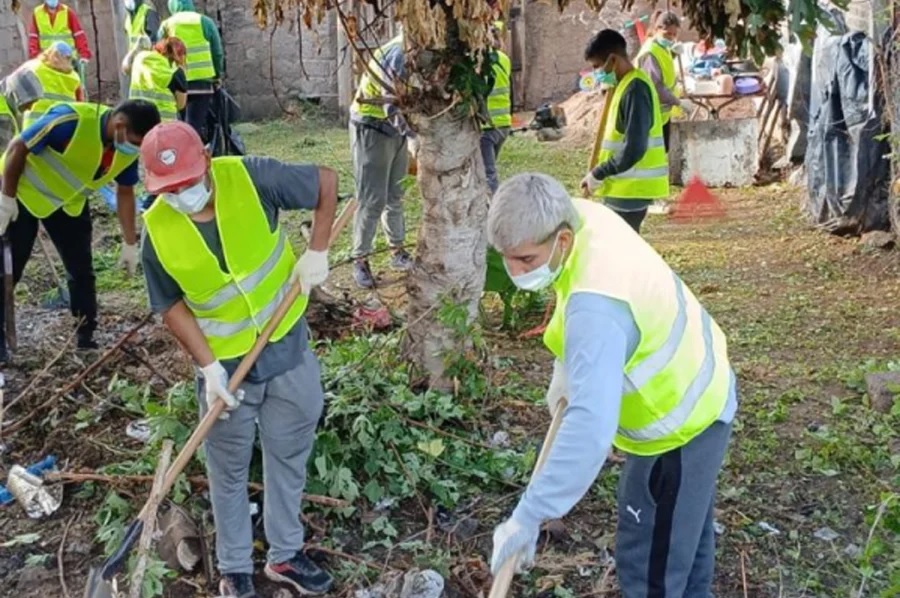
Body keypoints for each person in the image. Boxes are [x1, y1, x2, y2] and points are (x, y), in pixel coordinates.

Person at [486, 173, 736, 598]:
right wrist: (566, 367)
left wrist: (529, 515)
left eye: (526, 260)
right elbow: (574, 295)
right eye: (507, 258)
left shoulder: (596, 311)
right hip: (706, 393)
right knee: (686, 550)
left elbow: (590, 430)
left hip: (676, 428)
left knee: (649, 573)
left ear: (561, 240)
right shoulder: (585, 218)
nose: (515, 271)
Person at [139, 121, 338, 598]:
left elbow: (326, 182)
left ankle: (284, 557)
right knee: (227, 471)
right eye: (169, 189)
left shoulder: (253, 177)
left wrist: (318, 250)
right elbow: (169, 304)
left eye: (187, 183)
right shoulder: (157, 230)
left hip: (287, 350)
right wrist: (208, 367)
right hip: (226, 374)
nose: (181, 195)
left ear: (205, 160)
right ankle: (234, 568)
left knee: (288, 459)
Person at [0, 100, 160, 360]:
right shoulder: (69, 122)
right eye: (135, 141)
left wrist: (130, 242)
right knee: (8, 270)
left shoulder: (128, 149)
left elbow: (126, 191)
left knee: (81, 271)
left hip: (67, 204)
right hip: (22, 194)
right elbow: (18, 147)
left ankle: (86, 337)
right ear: (119, 125)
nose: (136, 149)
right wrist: (6, 199)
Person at [579, 29, 668, 234]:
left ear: (612, 60)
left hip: (632, 188)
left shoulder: (635, 89)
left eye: (597, 67)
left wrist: (599, 173)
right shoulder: (621, 85)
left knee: (619, 248)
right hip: (622, 186)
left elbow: (634, 148)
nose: (596, 73)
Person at [348, 31, 413, 289]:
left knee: (395, 194)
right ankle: (359, 259)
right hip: (372, 126)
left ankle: (397, 251)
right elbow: (392, 105)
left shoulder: (413, 51)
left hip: (396, 129)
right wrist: (415, 138)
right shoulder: (398, 53)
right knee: (372, 198)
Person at [159, 0, 224, 143]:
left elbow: (159, 54)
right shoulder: (205, 22)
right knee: (193, 126)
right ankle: (194, 156)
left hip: (176, 83)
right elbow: (217, 52)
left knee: (181, 126)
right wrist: (218, 75)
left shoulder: (166, 25)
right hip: (202, 83)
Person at [637, 10, 682, 151]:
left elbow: (663, 68)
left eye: (674, 35)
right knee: (654, 152)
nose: (671, 38)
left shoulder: (663, 47)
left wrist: (674, 53)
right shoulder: (650, 52)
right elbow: (656, 87)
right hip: (650, 114)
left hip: (661, 113)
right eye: (667, 34)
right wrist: (678, 102)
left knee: (664, 150)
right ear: (657, 29)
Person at [18, 42, 84, 127]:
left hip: (33, 126)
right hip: (62, 127)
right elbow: (81, 105)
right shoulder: (75, 78)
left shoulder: (33, 67)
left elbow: (16, 88)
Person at [480, 21, 512, 195]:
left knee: (488, 175)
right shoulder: (504, 59)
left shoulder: (479, 60)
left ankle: (493, 211)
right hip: (503, 124)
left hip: (486, 127)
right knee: (489, 171)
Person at [125, 36, 188, 122]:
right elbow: (181, 105)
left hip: (136, 122)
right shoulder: (175, 73)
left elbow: (126, 68)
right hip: (164, 125)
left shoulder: (139, 59)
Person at [28, 0, 92, 65]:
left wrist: (84, 55)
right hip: (47, 60)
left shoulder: (67, 12)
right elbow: (33, 37)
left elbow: (78, 35)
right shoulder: (37, 13)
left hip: (67, 59)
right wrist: (34, 57)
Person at [0, 70, 43, 149]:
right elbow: (4, 155)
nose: (29, 108)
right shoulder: (4, 117)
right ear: (17, 95)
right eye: (28, 102)